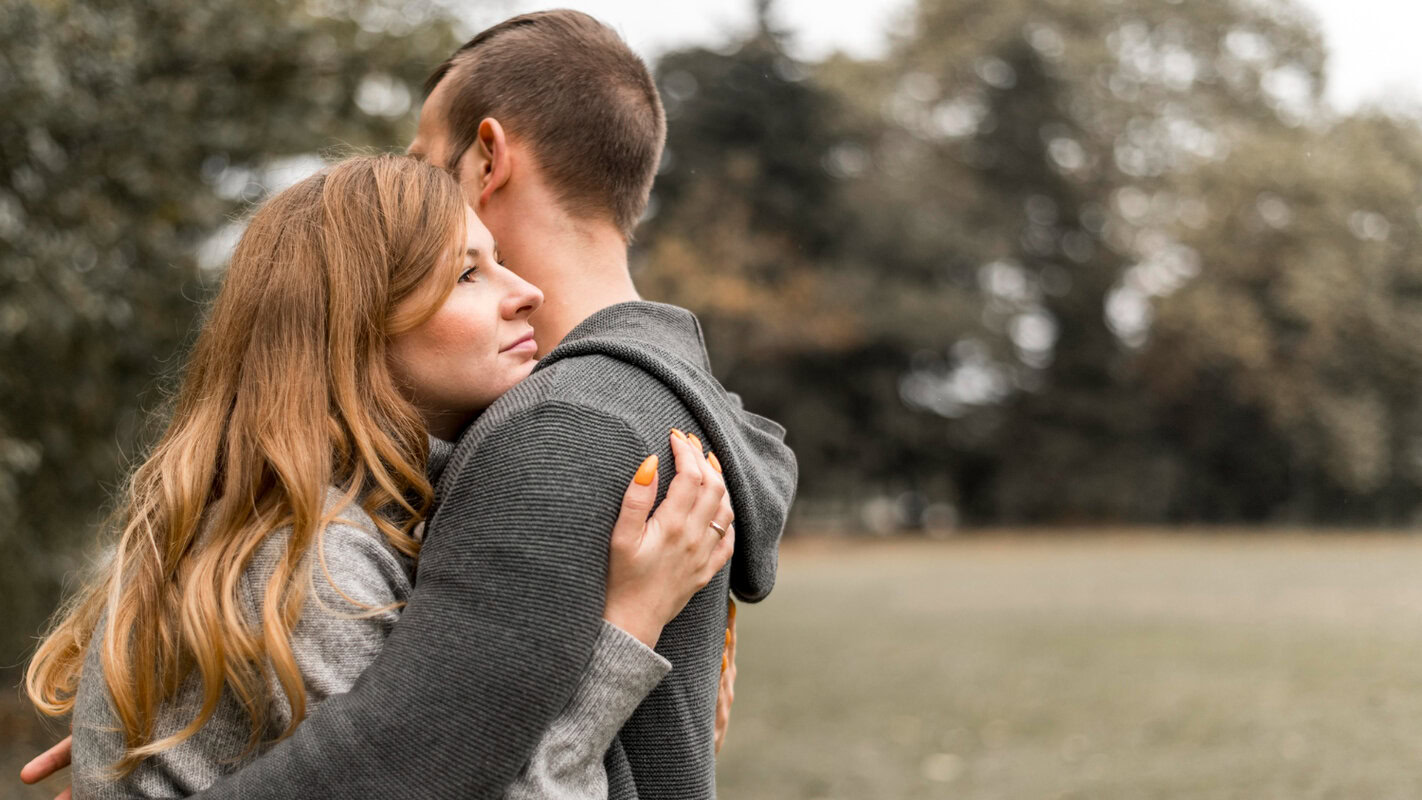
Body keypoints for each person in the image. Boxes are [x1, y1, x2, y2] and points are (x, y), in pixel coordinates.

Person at [25, 9, 796, 799]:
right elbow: (398, 762)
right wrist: (156, 723)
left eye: (427, 159)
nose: (521, 293)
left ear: (488, 156)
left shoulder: (561, 427)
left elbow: (398, 766)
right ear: (352, 318)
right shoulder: (319, 543)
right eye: (469, 273)